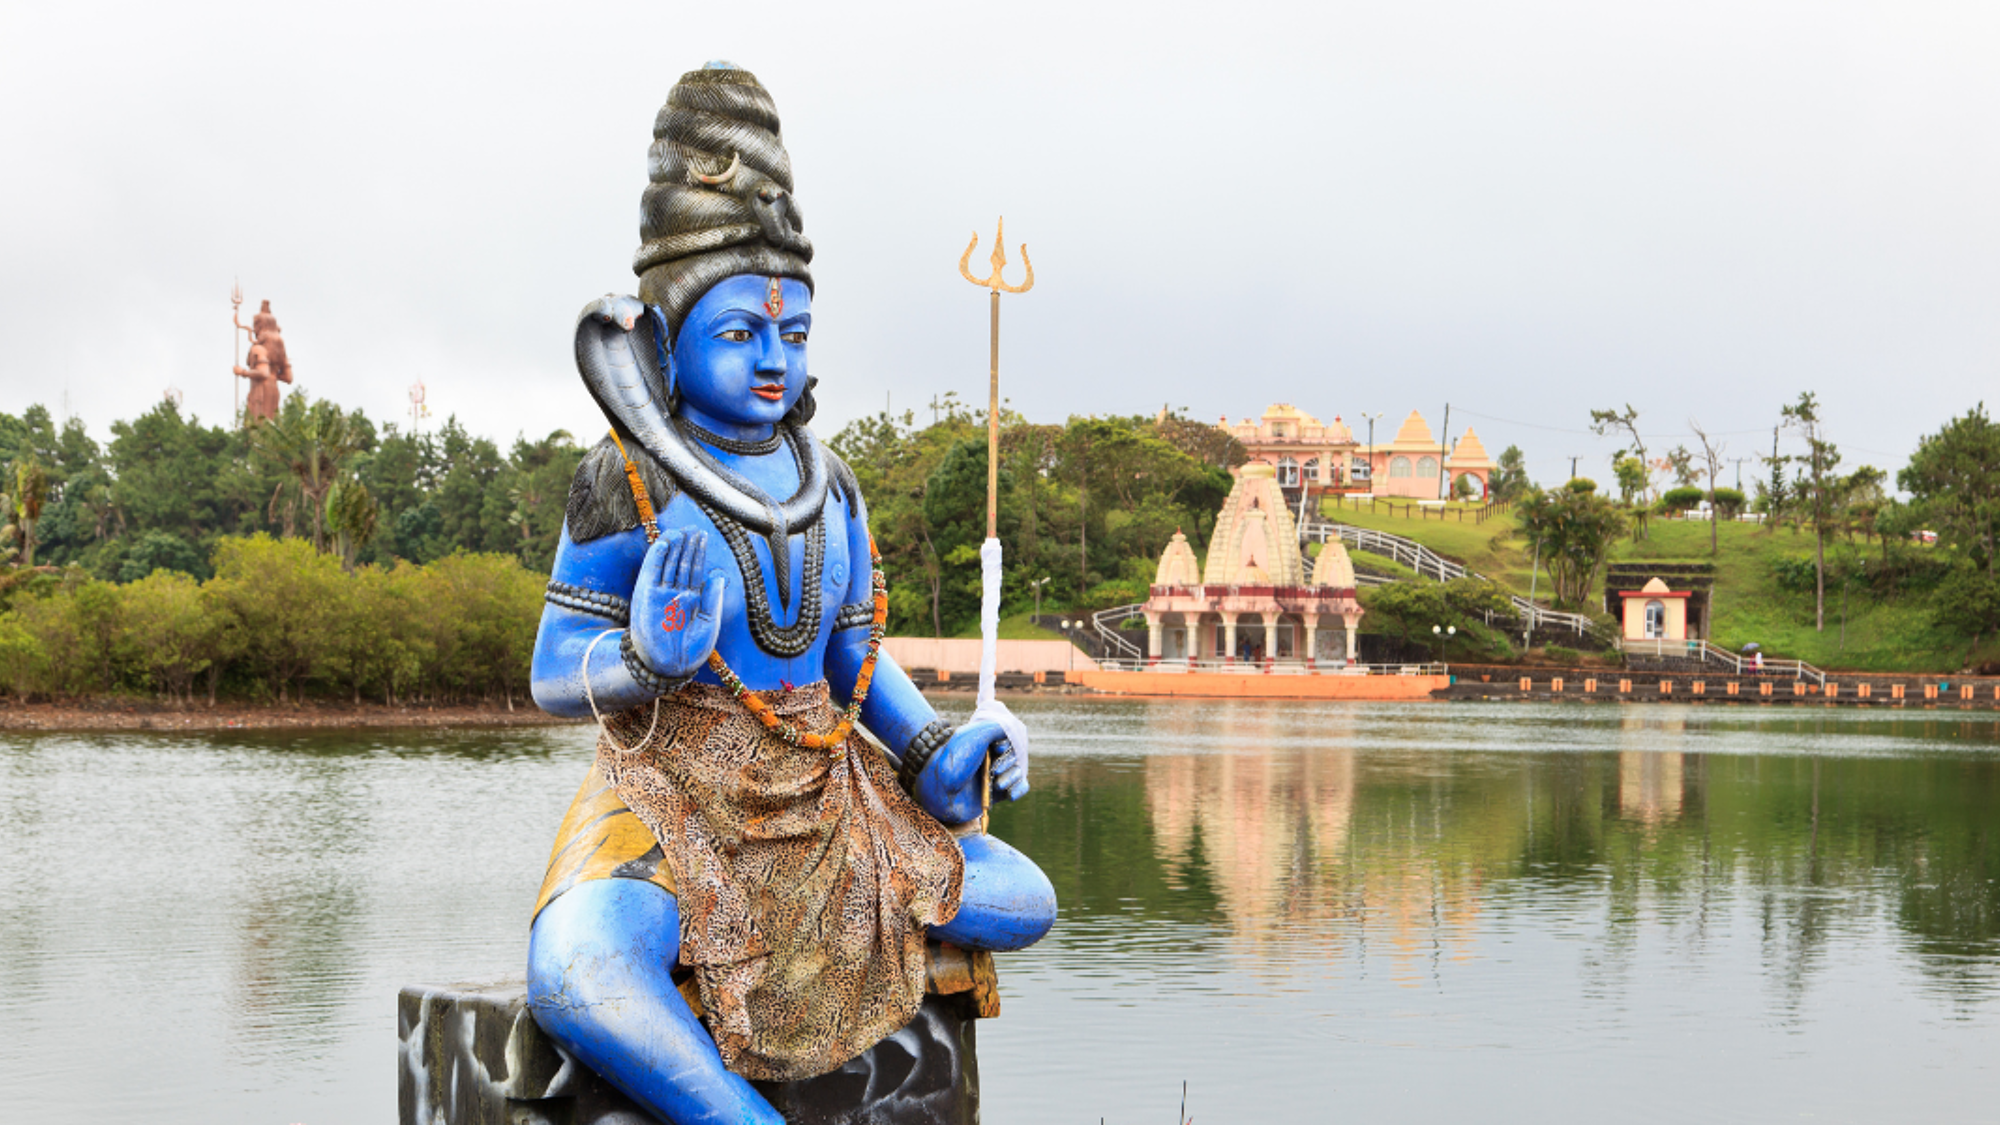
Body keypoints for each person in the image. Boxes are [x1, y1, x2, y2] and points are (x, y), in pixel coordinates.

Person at [523, 63, 1055, 1125]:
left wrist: (934, 754)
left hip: (826, 789)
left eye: (793, 334)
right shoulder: (629, 478)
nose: (774, 361)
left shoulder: (828, 482)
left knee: (1024, 898)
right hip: (668, 788)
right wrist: (642, 662)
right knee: (577, 966)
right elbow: (549, 672)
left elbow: (850, 659)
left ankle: (845, 941)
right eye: (740, 333)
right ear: (662, 341)